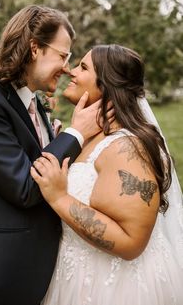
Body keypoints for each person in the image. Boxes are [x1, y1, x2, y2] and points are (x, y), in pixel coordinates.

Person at [0, 5, 105, 305]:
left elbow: (35, 158)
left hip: (37, 265)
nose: (67, 67)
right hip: (5, 271)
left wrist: (54, 140)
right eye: (63, 56)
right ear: (34, 48)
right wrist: (75, 134)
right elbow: (25, 186)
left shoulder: (30, 100)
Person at [31, 44, 183, 305]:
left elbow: (131, 242)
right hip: (76, 275)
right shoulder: (90, 136)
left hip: (116, 288)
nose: (71, 71)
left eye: (83, 67)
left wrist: (59, 198)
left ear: (107, 85)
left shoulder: (127, 148)